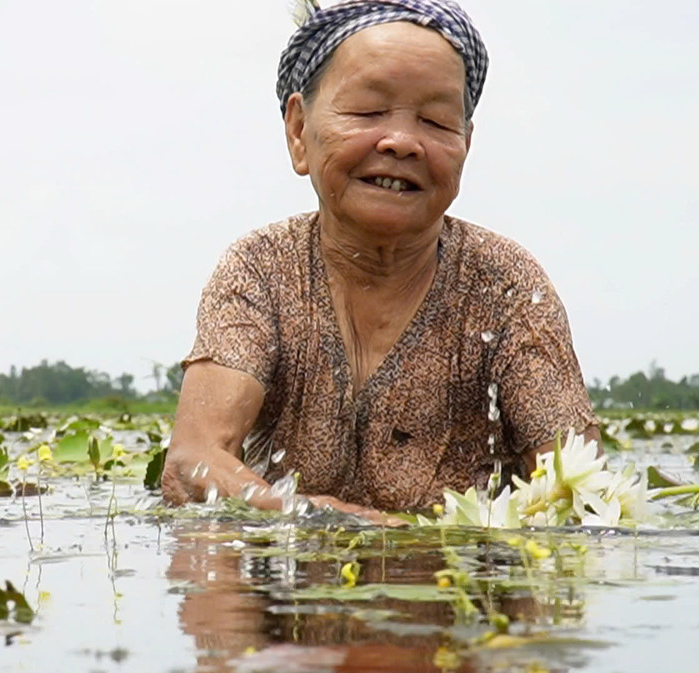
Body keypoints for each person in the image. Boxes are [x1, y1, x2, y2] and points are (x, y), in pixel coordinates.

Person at [161, 0, 599, 526]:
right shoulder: (261, 269)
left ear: (466, 145)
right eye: (368, 112)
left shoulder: (505, 284)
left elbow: (585, 498)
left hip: (458, 593)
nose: (402, 142)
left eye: (436, 121)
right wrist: (320, 519)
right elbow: (192, 465)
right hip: (285, 591)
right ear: (299, 131)